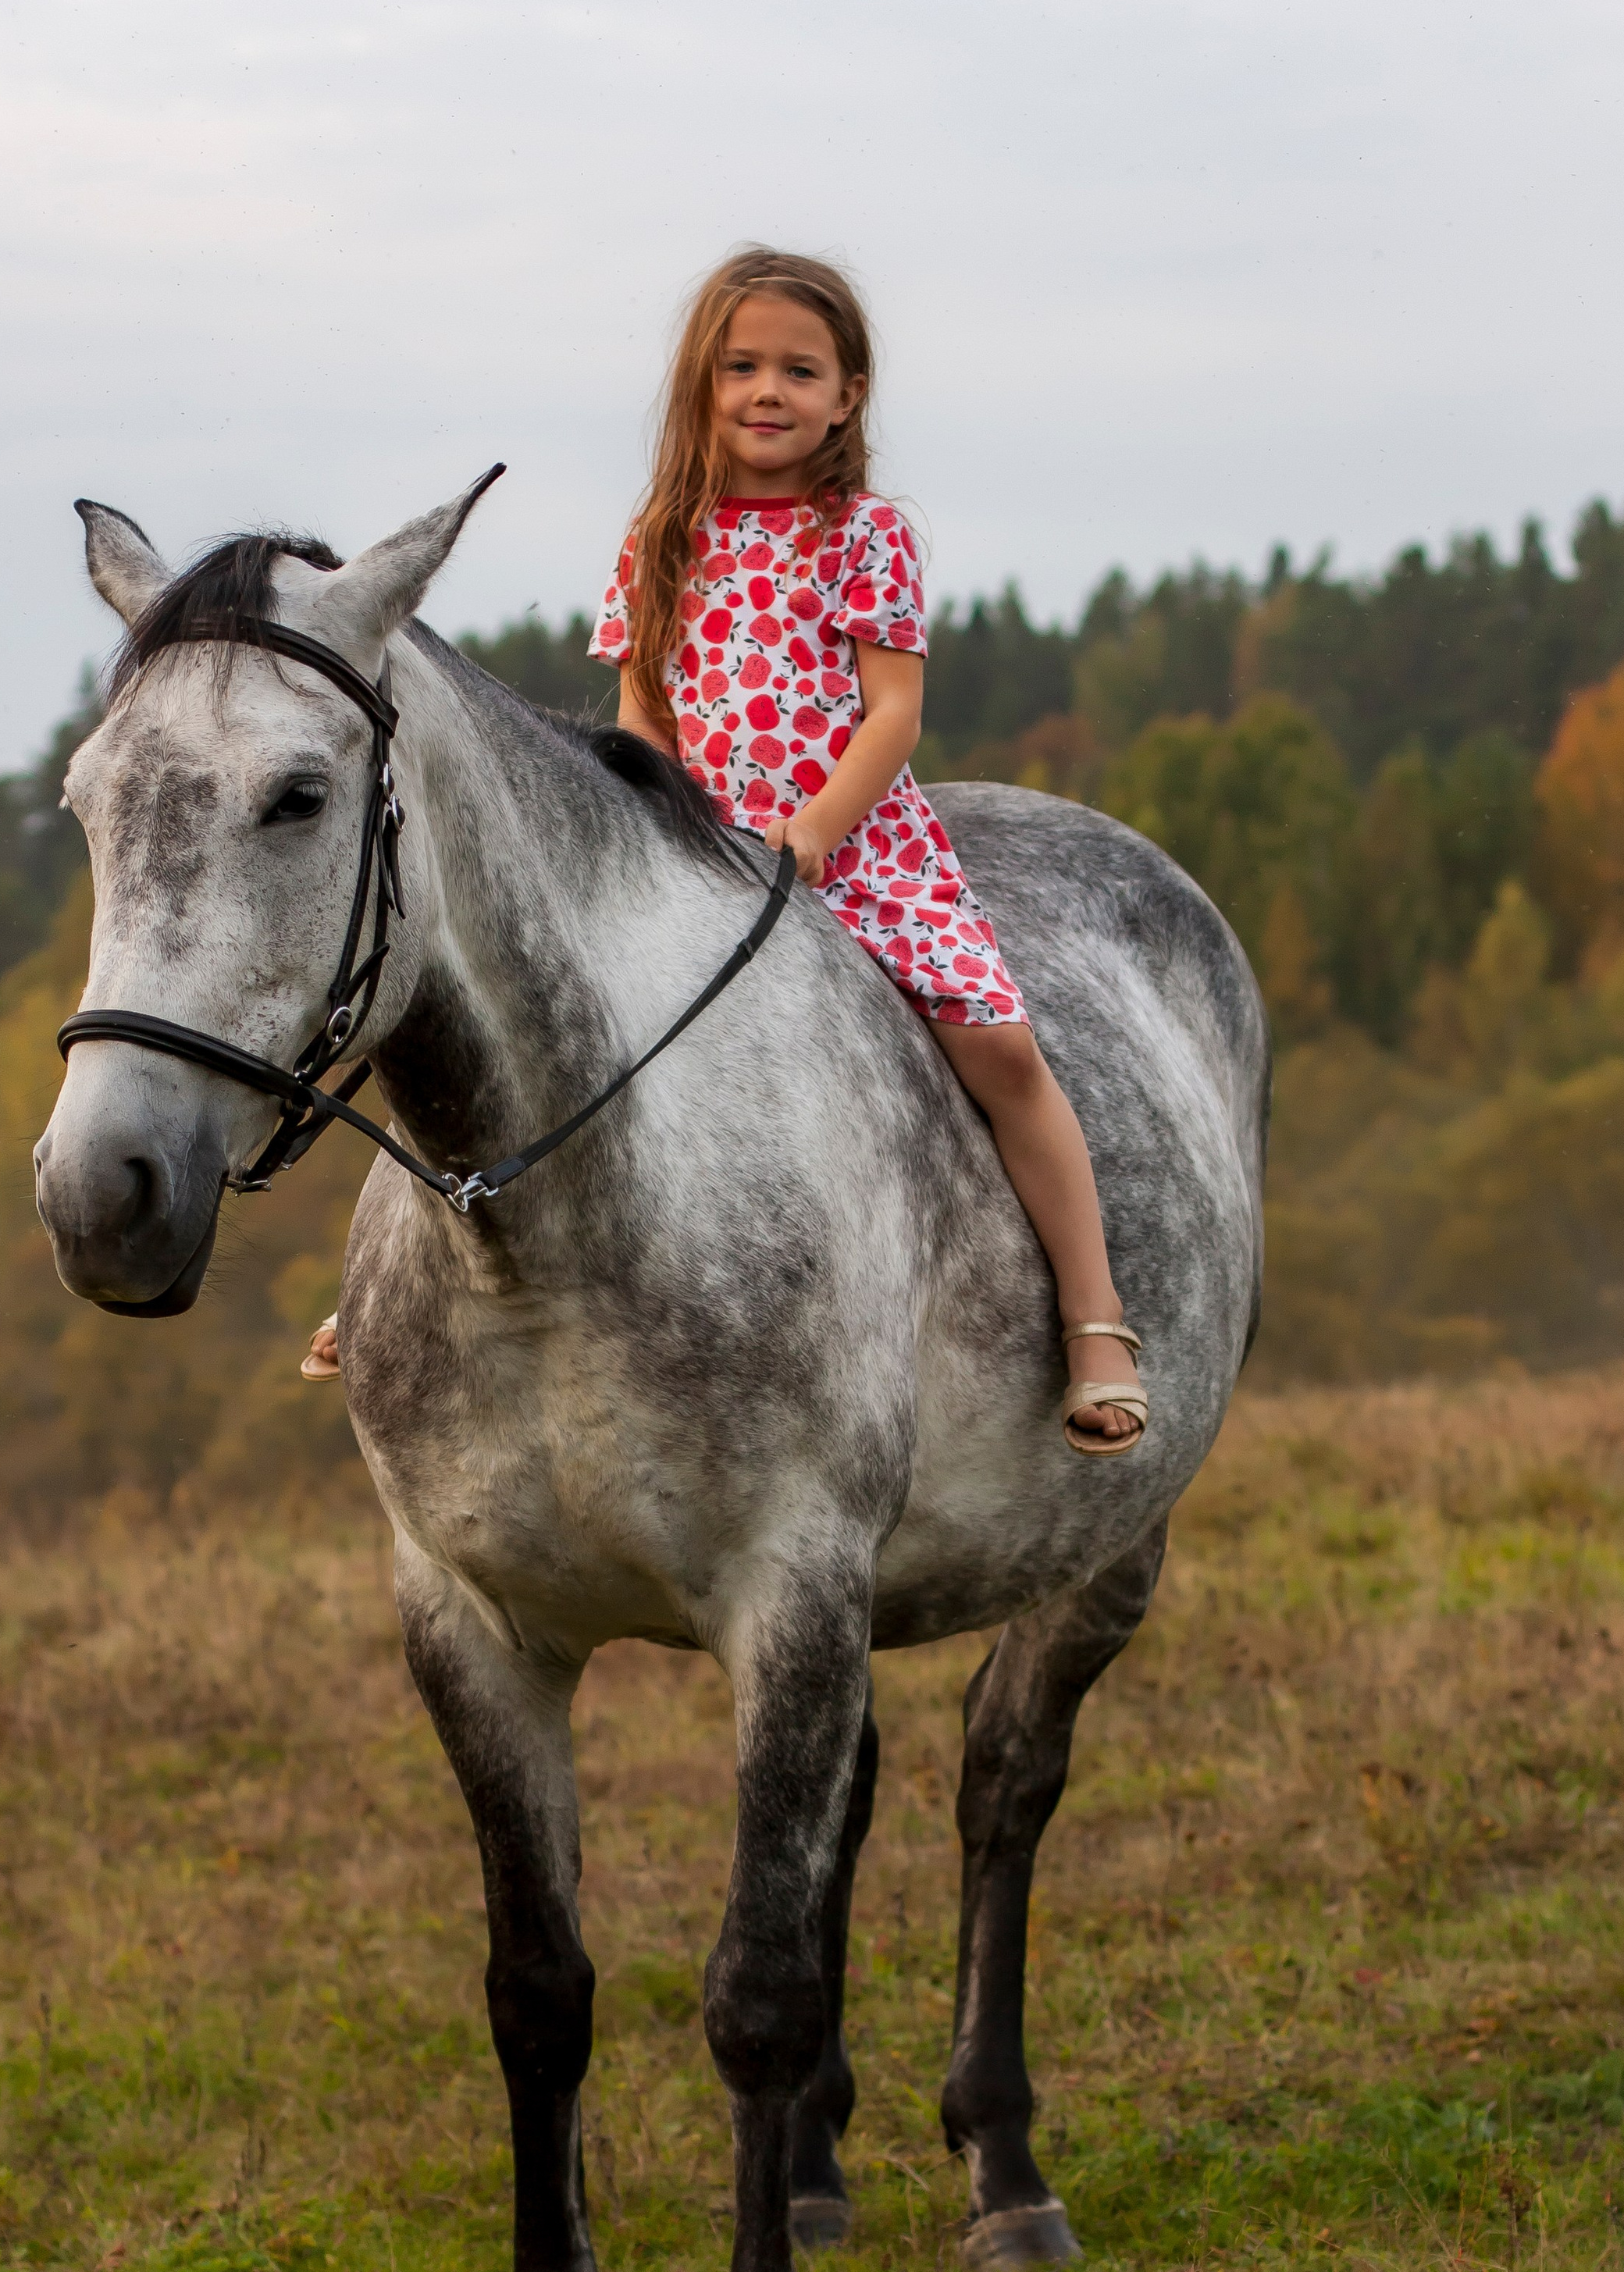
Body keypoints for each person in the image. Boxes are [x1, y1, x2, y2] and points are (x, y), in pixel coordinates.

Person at [305, 244, 1144, 1453]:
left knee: (1002, 1051)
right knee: (520, 1031)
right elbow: (644, 711)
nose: (769, 390)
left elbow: (893, 713)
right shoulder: (662, 538)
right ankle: (392, 1291)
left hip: (852, 849)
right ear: (702, 386)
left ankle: (1094, 1315)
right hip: (688, 852)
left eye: (801, 370)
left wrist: (810, 832)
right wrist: (665, 819)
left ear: (849, 395)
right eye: (742, 366)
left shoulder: (866, 535)